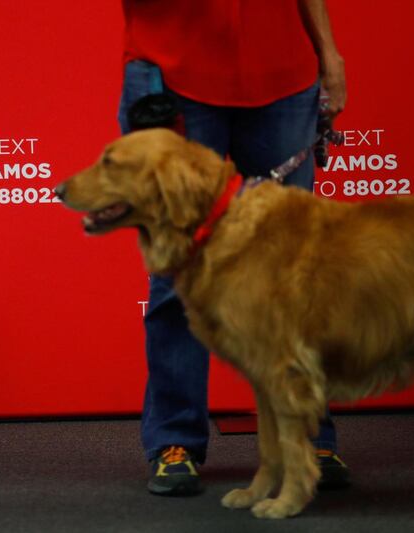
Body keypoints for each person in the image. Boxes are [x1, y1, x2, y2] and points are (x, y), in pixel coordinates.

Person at [118, 0, 349, 496]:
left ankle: (307, 436)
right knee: (178, 267)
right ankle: (174, 441)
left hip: (283, 77)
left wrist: (328, 52)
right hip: (171, 75)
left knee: (293, 272)